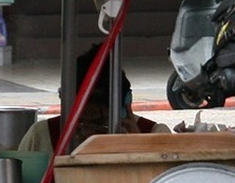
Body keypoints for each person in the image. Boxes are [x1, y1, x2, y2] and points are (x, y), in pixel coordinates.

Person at [17, 46, 168, 154]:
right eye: (79, 122)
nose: (86, 132)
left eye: (98, 123)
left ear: (123, 108)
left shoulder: (157, 136)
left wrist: (140, 150)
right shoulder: (42, 136)